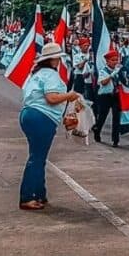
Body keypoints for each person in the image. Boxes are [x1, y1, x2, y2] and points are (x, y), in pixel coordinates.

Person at [19, 43, 79, 211]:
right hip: (42, 116)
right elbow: (51, 98)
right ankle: (28, 196)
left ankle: (39, 193)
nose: (59, 60)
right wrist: (70, 95)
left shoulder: (36, 74)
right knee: (37, 158)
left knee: (37, 156)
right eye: (58, 57)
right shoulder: (51, 75)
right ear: (53, 59)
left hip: (29, 114)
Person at [93, 50, 122, 146]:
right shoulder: (103, 71)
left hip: (116, 96)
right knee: (102, 117)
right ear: (108, 61)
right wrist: (112, 75)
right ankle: (97, 131)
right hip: (105, 96)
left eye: (116, 60)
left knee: (116, 118)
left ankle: (115, 139)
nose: (115, 62)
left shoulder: (118, 71)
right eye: (113, 60)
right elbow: (103, 82)